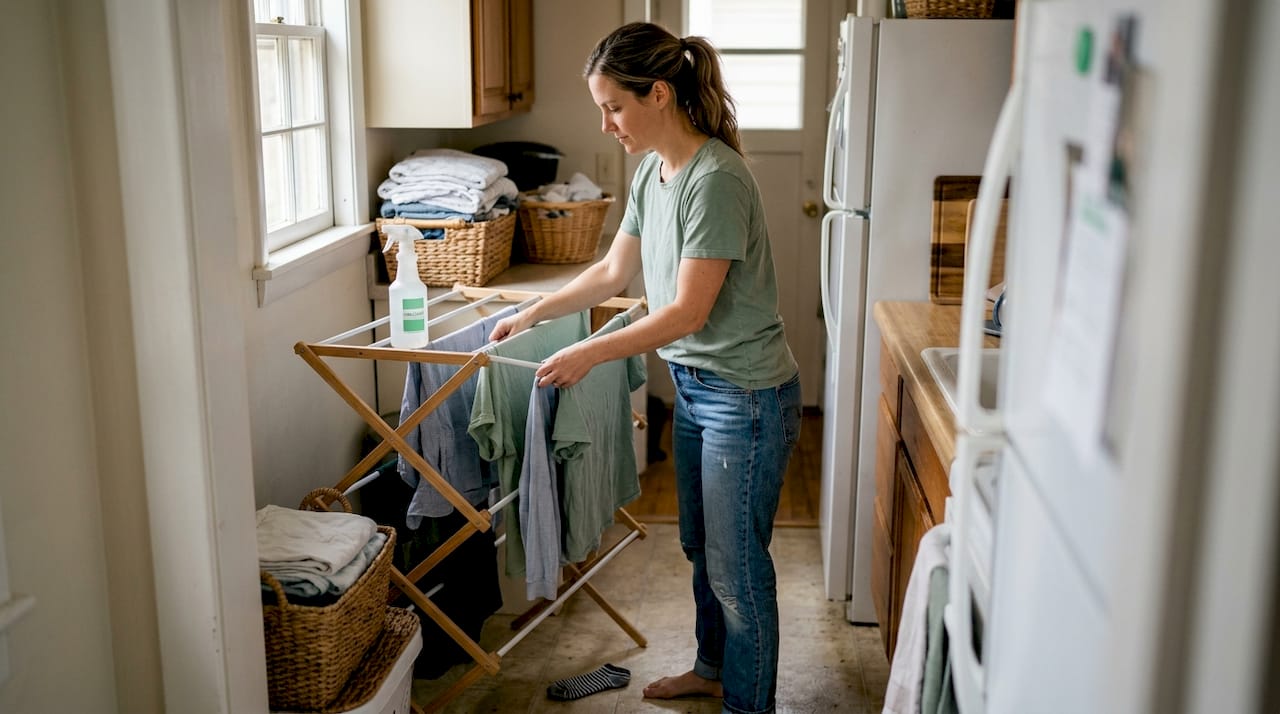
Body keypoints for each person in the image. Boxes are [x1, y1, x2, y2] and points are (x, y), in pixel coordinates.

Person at [489, 21, 802, 714]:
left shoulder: (715, 181)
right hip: (696, 388)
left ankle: (748, 705)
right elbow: (612, 271)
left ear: (659, 93)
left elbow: (686, 312)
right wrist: (536, 313)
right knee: (702, 549)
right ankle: (713, 670)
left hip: (744, 398)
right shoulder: (652, 172)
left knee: (737, 569)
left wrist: (587, 352)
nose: (606, 125)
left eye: (614, 107)